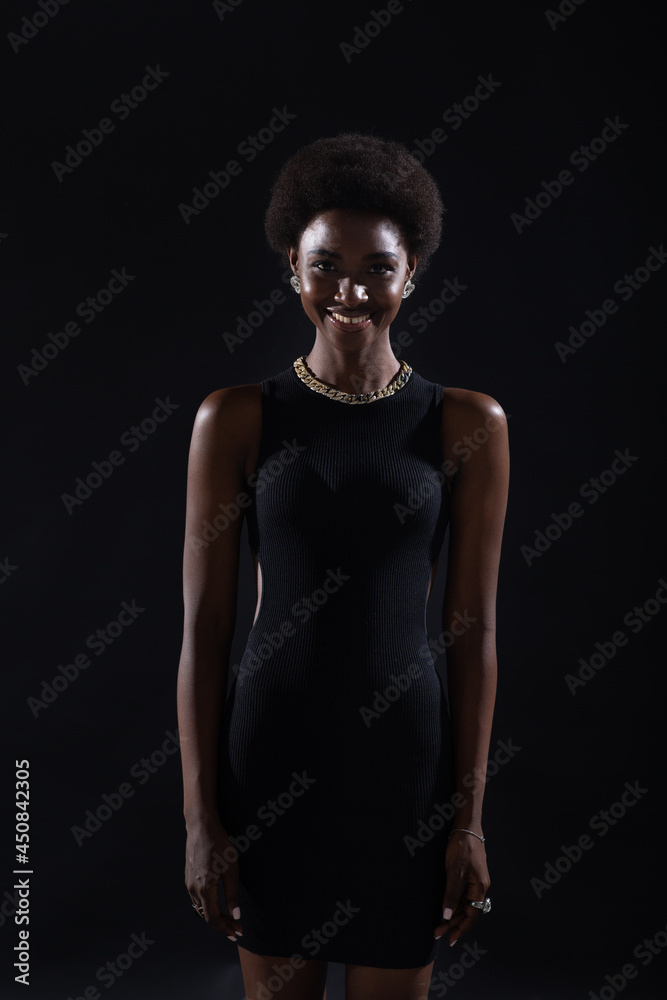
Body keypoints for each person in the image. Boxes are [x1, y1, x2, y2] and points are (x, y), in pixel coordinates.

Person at [176, 131, 509, 1000]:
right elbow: (206, 633)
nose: (350, 291)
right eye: (326, 265)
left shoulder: (468, 422)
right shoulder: (236, 419)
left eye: (377, 268)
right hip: (271, 763)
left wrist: (467, 822)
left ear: (413, 274)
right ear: (293, 266)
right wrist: (201, 818)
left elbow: (470, 633)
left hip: (405, 774)